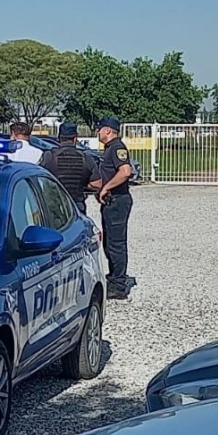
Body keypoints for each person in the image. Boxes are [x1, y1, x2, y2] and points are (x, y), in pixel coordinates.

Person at [90, 116, 135, 300]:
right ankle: (114, 276)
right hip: (111, 201)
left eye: (99, 129)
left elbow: (125, 171)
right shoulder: (110, 148)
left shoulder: (117, 147)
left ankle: (119, 285)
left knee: (116, 244)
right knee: (109, 242)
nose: (98, 132)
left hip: (117, 200)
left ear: (108, 130)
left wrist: (106, 188)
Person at [39, 122, 95, 214]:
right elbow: (97, 184)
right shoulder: (86, 158)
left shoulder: (49, 156)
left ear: (59, 138)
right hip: (76, 206)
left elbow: (40, 178)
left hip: (54, 207)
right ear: (75, 138)